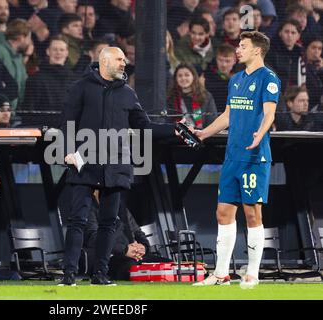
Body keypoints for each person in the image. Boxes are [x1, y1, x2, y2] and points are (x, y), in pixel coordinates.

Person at [59, 47, 178, 286]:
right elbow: (66, 123)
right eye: (120, 59)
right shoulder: (81, 87)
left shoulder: (128, 93)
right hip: (86, 165)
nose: (125, 63)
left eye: (125, 59)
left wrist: (174, 129)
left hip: (116, 167)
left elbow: (144, 126)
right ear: (104, 61)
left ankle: (100, 275)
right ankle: (69, 275)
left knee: (109, 223)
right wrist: (67, 152)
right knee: (77, 221)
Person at [192, 31, 281, 289]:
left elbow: (270, 113)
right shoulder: (236, 80)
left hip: (254, 156)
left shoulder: (269, 79)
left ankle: (252, 273)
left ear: (257, 50)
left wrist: (259, 135)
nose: (238, 50)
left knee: (252, 213)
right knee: (223, 212)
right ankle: (221, 274)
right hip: (232, 156)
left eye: (243, 46)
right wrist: (205, 133)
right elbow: (228, 115)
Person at [84, 191, 171, 280]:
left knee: (169, 265)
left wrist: (143, 247)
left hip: (134, 254)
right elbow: (93, 238)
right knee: (131, 268)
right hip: (110, 258)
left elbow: (137, 231)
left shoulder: (122, 208)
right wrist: (125, 250)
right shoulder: (90, 209)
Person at [21, 36, 77, 128]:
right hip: (43, 132)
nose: (58, 53)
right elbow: (28, 113)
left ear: (67, 53)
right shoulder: (35, 80)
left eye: (61, 50)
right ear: (48, 52)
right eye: (55, 49)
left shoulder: (75, 81)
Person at [167, 63, 218, 129]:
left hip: (202, 135)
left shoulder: (205, 96)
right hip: (177, 135)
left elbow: (212, 122)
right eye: (180, 76)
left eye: (187, 75)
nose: (183, 78)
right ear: (176, 79)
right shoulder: (171, 97)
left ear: (193, 77)